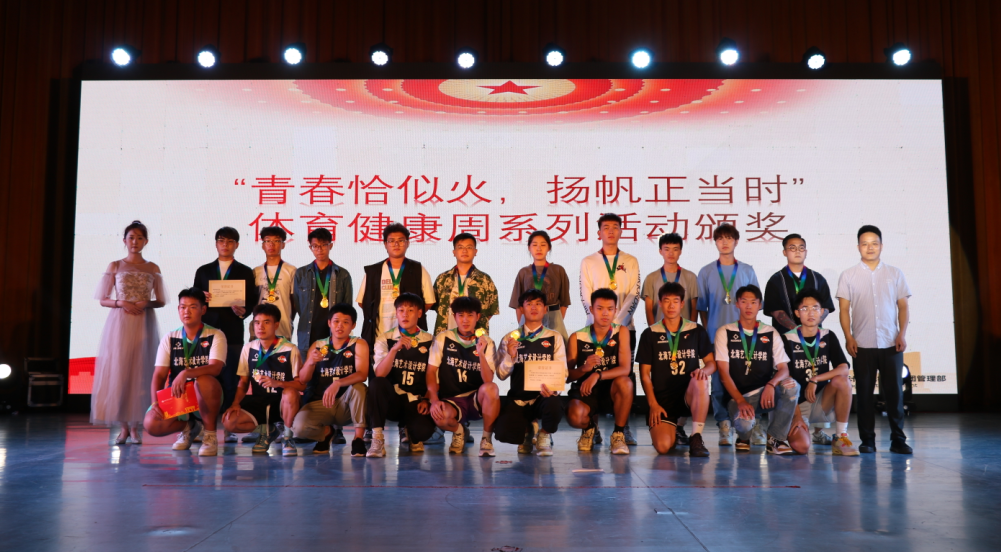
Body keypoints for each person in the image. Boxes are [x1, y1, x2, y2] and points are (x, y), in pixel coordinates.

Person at [836, 225, 912, 455]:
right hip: (862, 344)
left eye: (874, 243)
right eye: (865, 243)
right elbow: (844, 310)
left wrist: (901, 334)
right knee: (864, 395)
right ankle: (867, 440)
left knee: (895, 394)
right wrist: (848, 337)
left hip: (891, 343)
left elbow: (903, 306)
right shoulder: (848, 275)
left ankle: (898, 439)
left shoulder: (895, 273)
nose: (870, 248)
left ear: (881, 246)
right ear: (858, 246)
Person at [92, 221, 167, 445]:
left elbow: (161, 301)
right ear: (124, 240)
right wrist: (121, 302)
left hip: (143, 322)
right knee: (120, 372)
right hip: (120, 323)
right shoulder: (115, 265)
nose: (135, 242)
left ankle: (136, 428)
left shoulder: (153, 267)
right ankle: (123, 427)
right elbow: (103, 299)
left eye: (140, 238)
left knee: (141, 372)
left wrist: (146, 303)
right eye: (131, 237)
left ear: (146, 241)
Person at [193, 226, 259, 444]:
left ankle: (229, 426)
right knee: (205, 380)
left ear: (237, 245)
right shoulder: (203, 271)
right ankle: (202, 425)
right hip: (207, 332)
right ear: (215, 243)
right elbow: (193, 300)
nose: (225, 245)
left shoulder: (245, 271)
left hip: (232, 331)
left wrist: (243, 311)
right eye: (221, 240)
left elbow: (251, 302)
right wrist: (201, 298)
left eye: (230, 241)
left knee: (231, 380)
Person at [578, 213, 640, 445]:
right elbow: (586, 296)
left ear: (621, 231)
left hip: (624, 328)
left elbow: (634, 295)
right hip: (593, 330)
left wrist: (617, 323)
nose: (611, 231)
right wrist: (600, 322)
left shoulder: (631, 260)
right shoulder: (588, 261)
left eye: (615, 227)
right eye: (606, 227)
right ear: (599, 232)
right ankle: (591, 428)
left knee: (625, 376)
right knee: (590, 373)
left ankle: (623, 429)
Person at [715, 285, 800, 455]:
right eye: (744, 301)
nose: (749, 306)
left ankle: (775, 438)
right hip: (738, 397)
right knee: (744, 425)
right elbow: (723, 373)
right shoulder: (725, 331)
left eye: (753, 302)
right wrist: (740, 400)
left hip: (765, 394)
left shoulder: (770, 332)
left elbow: (783, 369)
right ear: (737, 304)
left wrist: (771, 384)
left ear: (760, 305)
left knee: (792, 385)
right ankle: (743, 437)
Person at [696, 223, 760, 447]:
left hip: (744, 337)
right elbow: (702, 308)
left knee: (748, 380)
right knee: (717, 384)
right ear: (715, 242)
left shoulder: (747, 270)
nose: (725, 242)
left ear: (736, 241)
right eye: (720, 238)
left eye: (729, 238)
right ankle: (723, 425)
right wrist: (709, 331)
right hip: (715, 336)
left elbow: (755, 302)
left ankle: (751, 424)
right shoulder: (705, 272)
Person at [143, 288, 226, 456]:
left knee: (204, 380)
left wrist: (186, 373)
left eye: (193, 307)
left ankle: (210, 436)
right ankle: (191, 428)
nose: (186, 311)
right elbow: (159, 375)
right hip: (179, 395)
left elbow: (215, 368)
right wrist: (155, 403)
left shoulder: (215, 335)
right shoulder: (170, 337)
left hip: (206, 395)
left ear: (203, 310)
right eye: (183, 307)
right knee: (152, 424)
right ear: (178, 309)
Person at [637, 282, 716, 457]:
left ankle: (696, 436)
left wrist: (704, 371)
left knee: (701, 381)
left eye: (675, 301)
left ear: (682, 304)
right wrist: (653, 404)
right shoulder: (650, 333)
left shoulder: (695, 330)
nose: (671, 306)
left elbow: (711, 363)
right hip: (663, 400)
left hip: (688, 395)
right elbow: (644, 375)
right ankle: (674, 429)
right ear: (660, 303)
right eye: (666, 301)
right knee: (663, 447)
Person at [292, 227, 353, 444]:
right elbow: (296, 305)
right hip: (308, 336)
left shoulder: (342, 274)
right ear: (310, 247)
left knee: (334, 378)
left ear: (331, 245)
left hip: (334, 337)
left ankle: (337, 429)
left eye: (324, 245)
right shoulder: (301, 273)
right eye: (315, 246)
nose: (319, 249)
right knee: (309, 381)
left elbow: (347, 308)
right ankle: (312, 426)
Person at [222, 304, 304, 457]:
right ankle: (268, 431)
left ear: (276, 325)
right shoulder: (248, 348)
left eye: (266, 322)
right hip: (260, 401)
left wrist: (278, 383)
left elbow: (301, 385)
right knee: (229, 421)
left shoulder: (290, 349)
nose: (261, 327)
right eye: (257, 322)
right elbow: (243, 382)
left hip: (283, 403)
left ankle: (287, 437)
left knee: (290, 393)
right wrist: (235, 403)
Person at [783, 290, 858, 456]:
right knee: (801, 447)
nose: (811, 313)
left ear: (822, 312)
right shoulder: (787, 339)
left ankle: (840, 436)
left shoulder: (827, 336)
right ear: (797, 313)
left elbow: (844, 368)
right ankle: (795, 428)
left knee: (842, 380)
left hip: (821, 402)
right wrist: (797, 416)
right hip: (796, 405)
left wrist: (815, 379)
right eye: (805, 308)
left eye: (815, 308)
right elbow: (785, 379)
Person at [494, 289, 568, 456]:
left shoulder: (554, 337)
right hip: (519, 399)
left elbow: (563, 371)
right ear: (521, 309)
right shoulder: (510, 338)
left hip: (543, 398)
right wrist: (510, 357)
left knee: (555, 405)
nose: (534, 308)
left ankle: (544, 434)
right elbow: (501, 374)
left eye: (538, 304)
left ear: (545, 309)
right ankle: (527, 430)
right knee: (504, 433)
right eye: (529, 304)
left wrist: (554, 389)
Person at [292, 303, 369, 457]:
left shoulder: (358, 344)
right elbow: (303, 379)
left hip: (347, 404)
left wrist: (338, 383)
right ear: (329, 323)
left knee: (360, 387)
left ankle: (358, 439)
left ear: (353, 325)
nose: (340, 326)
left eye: (345, 322)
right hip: (322, 402)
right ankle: (327, 432)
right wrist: (310, 362)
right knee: (299, 429)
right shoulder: (318, 345)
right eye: (336, 321)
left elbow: (362, 374)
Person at [365, 292, 437, 457]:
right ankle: (377, 438)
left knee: (423, 432)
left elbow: (434, 375)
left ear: (419, 313)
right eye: (401, 310)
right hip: (393, 401)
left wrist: (427, 399)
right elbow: (380, 373)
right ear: (396, 313)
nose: (405, 314)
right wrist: (394, 350)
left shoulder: (431, 340)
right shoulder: (385, 338)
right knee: (376, 383)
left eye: (410, 310)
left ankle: (410, 431)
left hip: (416, 401)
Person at [426, 297, 500, 456]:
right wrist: (434, 400)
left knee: (491, 388)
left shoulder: (487, 342)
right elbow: (431, 371)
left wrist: (480, 353)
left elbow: (488, 380)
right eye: (461, 315)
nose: (465, 320)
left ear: (478, 317)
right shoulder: (443, 338)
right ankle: (459, 431)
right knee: (439, 417)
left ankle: (486, 439)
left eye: (470, 315)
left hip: (475, 399)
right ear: (454, 316)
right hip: (451, 399)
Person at [565, 288, 633, 455]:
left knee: (626, 382)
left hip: (611, 388)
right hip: (586, 390)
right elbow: (567, 376)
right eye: (600, 308)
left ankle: (618, 435)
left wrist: (597, 374)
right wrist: (584, 369)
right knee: (574, 417)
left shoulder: (621, 332)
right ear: (591, 309)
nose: (605, 313)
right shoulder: (577, 337)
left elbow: (625, 368)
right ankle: (590, 429)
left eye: (610, 309)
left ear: (616, 310)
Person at [358, 223, 435, 358]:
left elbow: (429, 302)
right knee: (380, 369)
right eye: (391, 241)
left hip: (411, 338)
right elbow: (362, 302)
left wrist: (410, 316)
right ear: (385, 244)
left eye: (401, 240)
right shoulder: (373, 271)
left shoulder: (418, 269)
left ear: (407, 243)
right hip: (380, 335)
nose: (396, 244)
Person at [763, 233, 836, 337]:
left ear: (806, 252)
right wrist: (797, 330)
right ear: (785, 252)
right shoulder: (775, 280)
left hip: (814, 336)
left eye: (801, 248)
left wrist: (810, 326)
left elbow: (826, 307)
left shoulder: (818, 279)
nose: (797, 251)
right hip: (785, 337)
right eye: (792, 248)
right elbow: (775, 310)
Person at [509, 230, 572, 341]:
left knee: (556, 346)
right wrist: (523, 323)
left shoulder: (558, 270)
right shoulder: (523, 272)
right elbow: (518, 305)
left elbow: (564, 301)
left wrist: (557, 319)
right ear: (529, 248)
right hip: (529, 317)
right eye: (534, 245)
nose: (539, 248)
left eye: (543, 245)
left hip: (553, 317)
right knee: (526, 347)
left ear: (549, 248)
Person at [432, 233, 500, 335]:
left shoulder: (485, 280)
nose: (464, 250)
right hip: (446, 334)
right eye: (460, 247)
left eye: (469, 247)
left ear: (475, 252)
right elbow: (436, 306)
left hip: (475, 336)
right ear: (454, 252)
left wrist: (471, 322)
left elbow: (491, 310)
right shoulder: (442, 279)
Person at [642, 233, 698, 324]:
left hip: (685, 330)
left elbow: (694, 308)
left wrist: (691, 330)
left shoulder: (691, 277)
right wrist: (653, 330)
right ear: (660, 251)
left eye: (675, 249)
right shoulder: (651, 278)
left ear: (680, 251)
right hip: (660, 329)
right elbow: (649, 309)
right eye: (667, 249)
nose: (671, 253)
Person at [253, 226, 297, 341]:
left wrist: (288, 320)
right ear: (263, 245)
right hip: (260, 329)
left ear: (283, 245)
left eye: (276, 241)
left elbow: (294, 302)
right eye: (267, 241)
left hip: (283, 327)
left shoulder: (291, 270)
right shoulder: (256, 271)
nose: (271, 244)